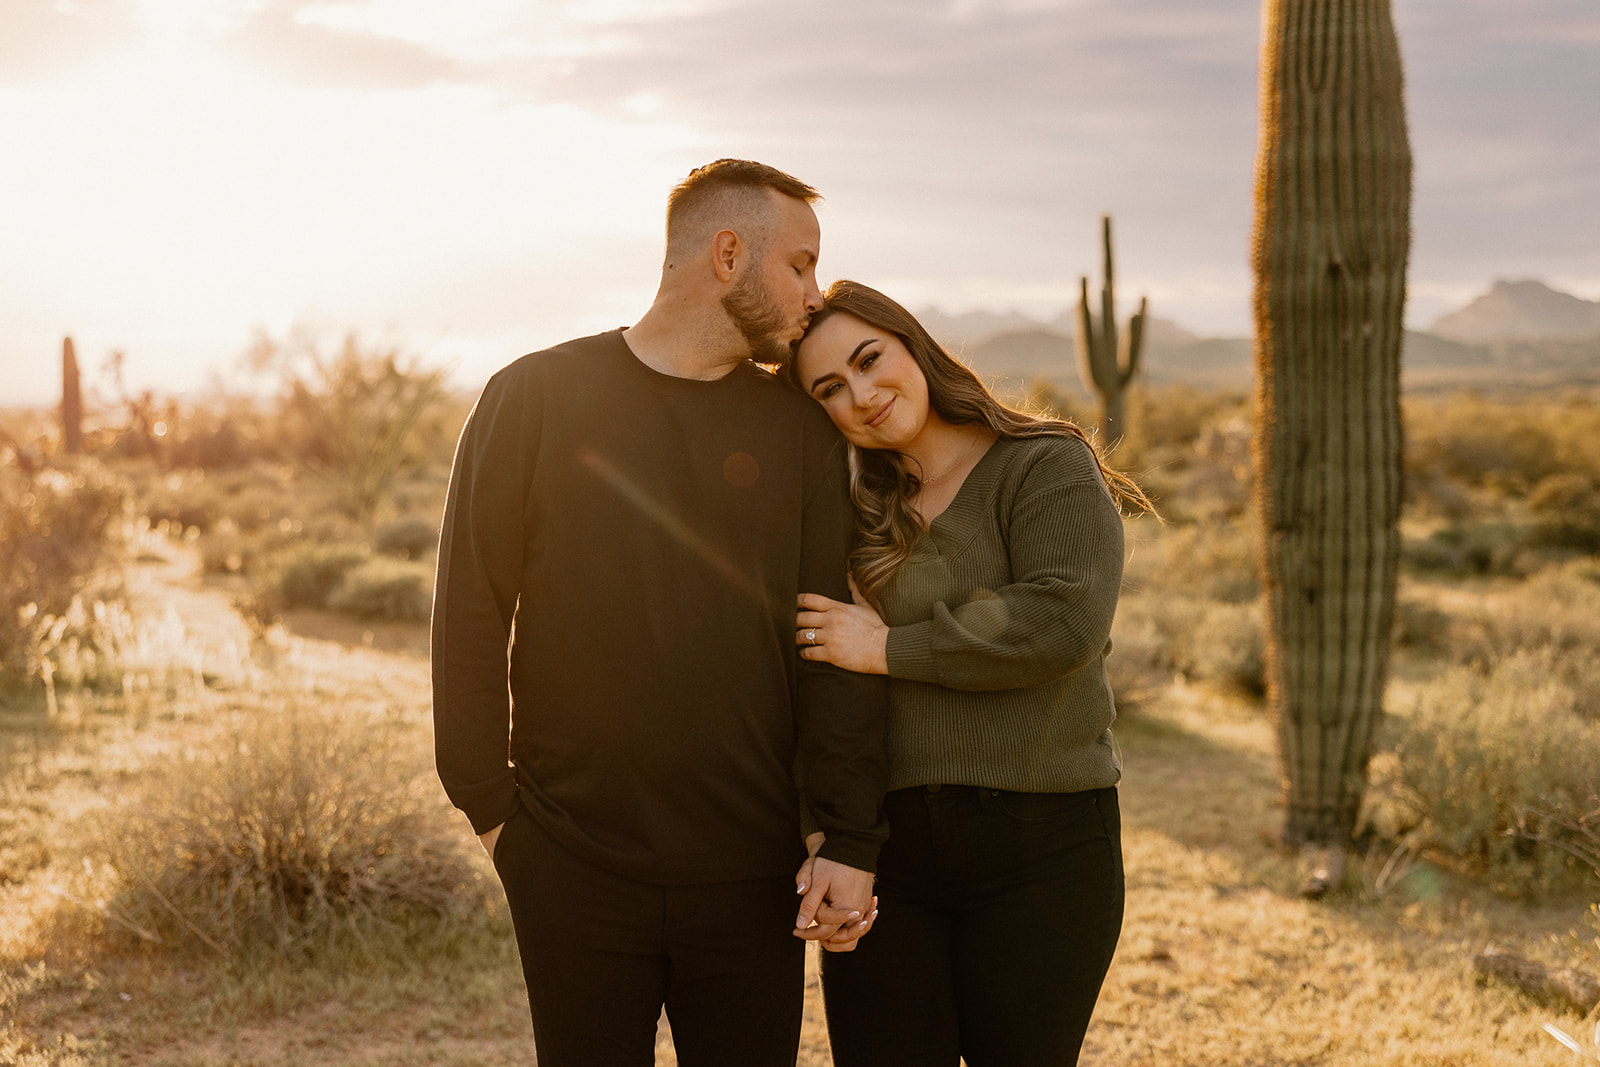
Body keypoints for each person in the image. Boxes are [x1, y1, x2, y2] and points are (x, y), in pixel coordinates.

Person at [431, 161, 888, 1067]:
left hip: (753, 874)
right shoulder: (533, 398)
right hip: (569, 862)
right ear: (727, 254)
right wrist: (494, 812)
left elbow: (825, 634)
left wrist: (845, 831)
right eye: (799, 264)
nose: (814, 293)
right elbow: (470, 611)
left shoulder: (799, 431)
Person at [788, 280, 1155, 1066]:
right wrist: (826, 828)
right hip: (889, 852)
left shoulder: (1042, 464)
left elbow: (1061, 622)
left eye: (868, 359)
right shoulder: (856, 512)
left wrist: (887, 647)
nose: (861, 393)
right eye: (830, 389)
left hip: (1044, 844)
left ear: (912, 343)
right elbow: (812, 677)